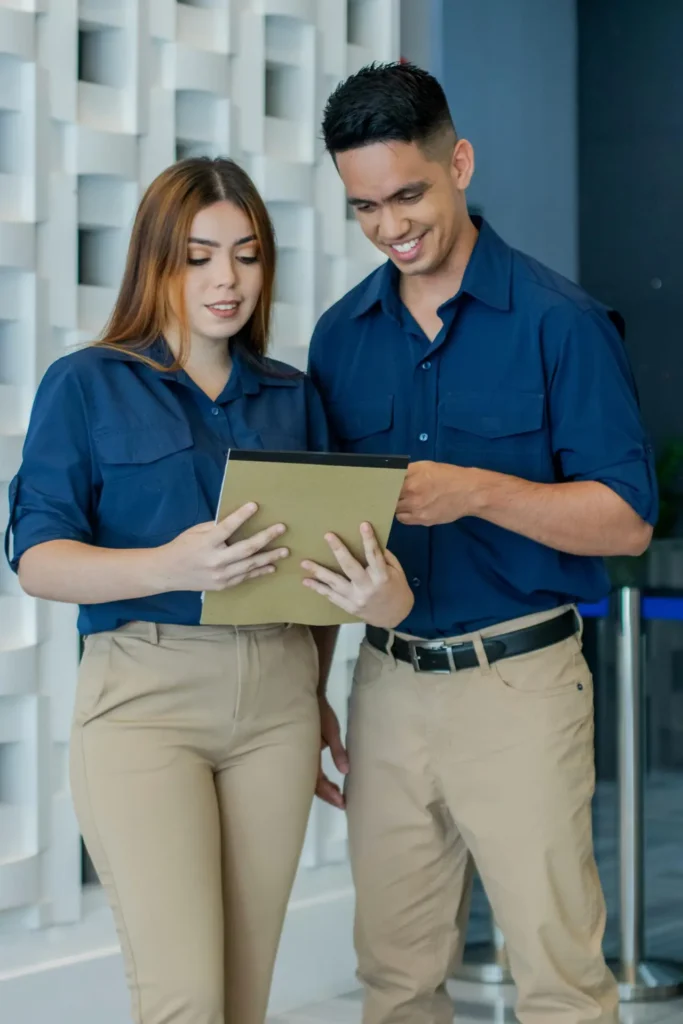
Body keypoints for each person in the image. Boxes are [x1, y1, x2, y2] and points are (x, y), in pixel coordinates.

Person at [4, 157, 414, 1024]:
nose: (226, 279)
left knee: (241, 998)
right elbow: (38, 558)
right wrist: (167, 567)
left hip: (275, 704)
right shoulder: (86, 384)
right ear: (155, 261)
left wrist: (313, 682)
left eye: (246, 254)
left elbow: (321, 567)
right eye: (197, 256)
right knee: (184, 998)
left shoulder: (293, 398)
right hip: (144, 703)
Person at [304, 64, 658, 1024]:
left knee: (557, 982)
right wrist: (315, 693)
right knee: (393, 978)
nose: (389, 226)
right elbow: (330, 540)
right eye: (364, 207)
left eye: (408, 194)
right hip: (382, 687)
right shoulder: (338, 339)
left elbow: (626, 519)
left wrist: (481, 493)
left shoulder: (562, 324)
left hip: (520, 688)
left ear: (458, 163)